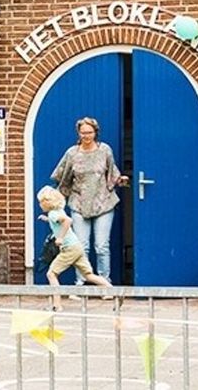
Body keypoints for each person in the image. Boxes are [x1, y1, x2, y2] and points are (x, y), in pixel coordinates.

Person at [50, 117, 129, 285]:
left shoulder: (105, 150)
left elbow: (112, 173)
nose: (86, 135)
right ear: (78, 133)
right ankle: (81, 284)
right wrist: (56, 198)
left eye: (90, 132)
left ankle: (104, 284)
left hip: (103, 203)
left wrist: (121, 180)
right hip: (79, 203)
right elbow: (61, 176)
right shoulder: (72, 153)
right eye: (83, 132)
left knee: (101, 246)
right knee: (81, 246)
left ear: (96, 133)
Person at [36, 186, 112, 311]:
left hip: (69, 248)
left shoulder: (54, 213)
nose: (40, 205)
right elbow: (59, 220)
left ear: (48, 203)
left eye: (41, 202)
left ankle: (57, 305)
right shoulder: (57, 211)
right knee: (88, 275)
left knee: (51, 274)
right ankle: (113, 291)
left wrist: (60, 238)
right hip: (77, 247)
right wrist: (47, 219)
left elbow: (68, 221)